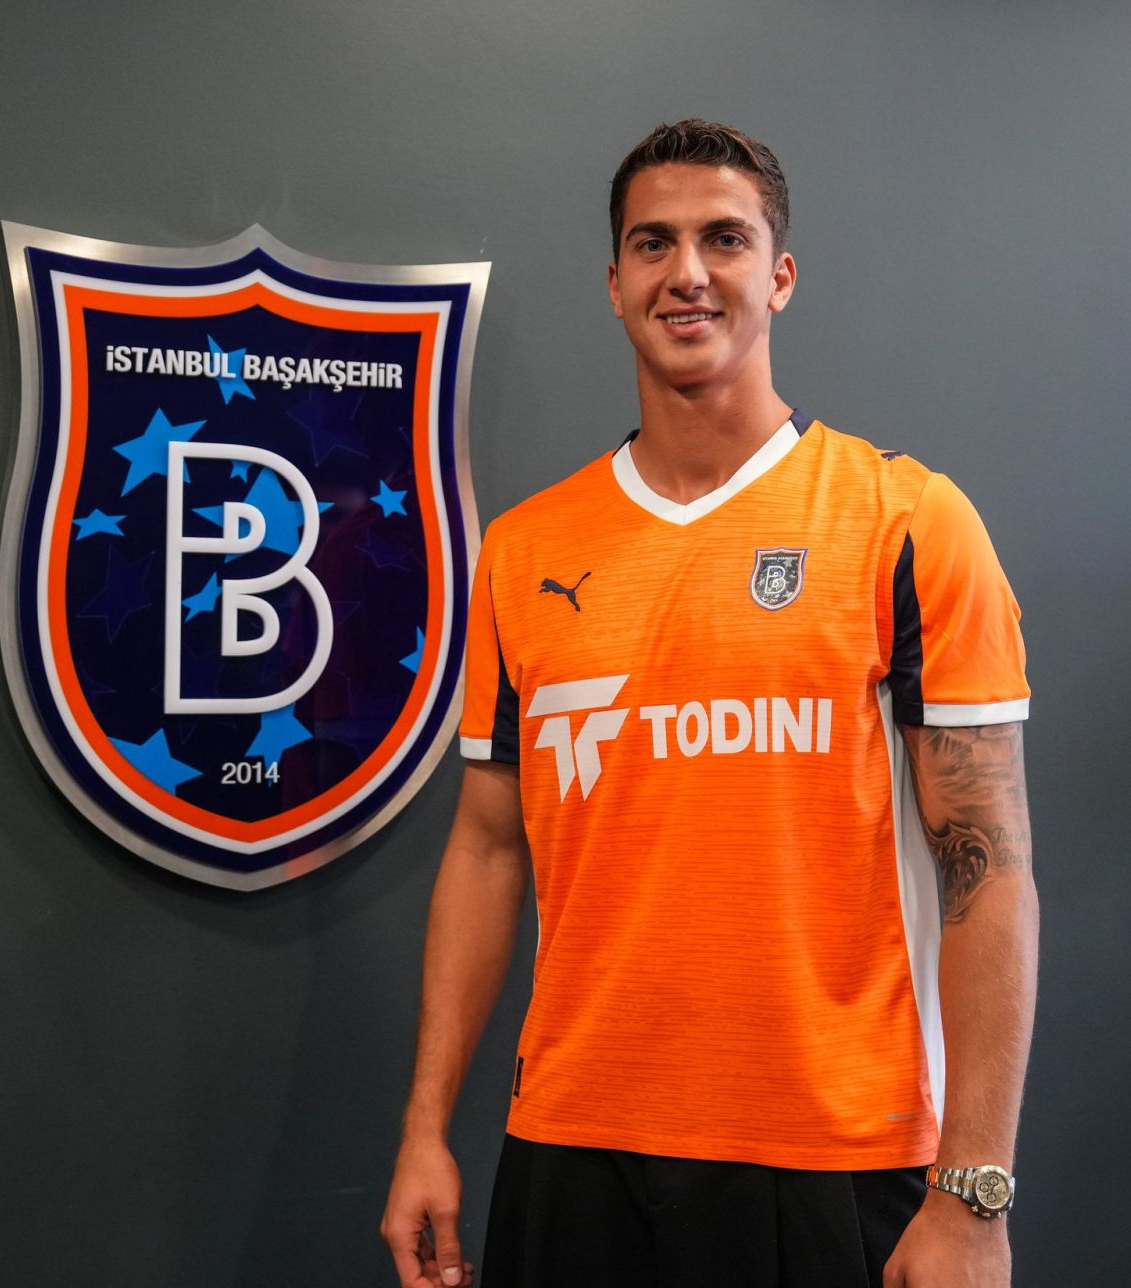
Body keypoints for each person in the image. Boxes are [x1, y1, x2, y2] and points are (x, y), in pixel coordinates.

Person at [380, 119, 1038, 1288]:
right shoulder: (525, 550)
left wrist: (974, 1189)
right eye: (653, 243)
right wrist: (425, 1127)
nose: (686, 271)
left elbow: (987, 865)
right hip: (573, 1150)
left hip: (831, 1155)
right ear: (614, 283)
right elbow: (486, 846)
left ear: (778, 276)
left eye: (723, 239)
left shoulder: (905, 522)